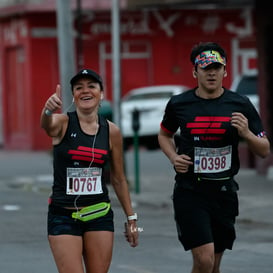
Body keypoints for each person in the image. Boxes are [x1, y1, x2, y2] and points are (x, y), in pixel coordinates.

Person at [158, 42, 270, 273]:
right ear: (195, 71)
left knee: (212, 266)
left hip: (224, 193)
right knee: (205, 259)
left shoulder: (240, 104)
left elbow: (264, 150)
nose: (211, 72)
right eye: (206, 68)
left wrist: (247, 133)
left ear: (225, 71)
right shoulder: (180, 104)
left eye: (217, 68)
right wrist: (172, 157)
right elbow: (164, 134)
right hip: (190, 191)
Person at [40, 68, 138, 273]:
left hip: (99, 215)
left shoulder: (112, 131)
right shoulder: (63, 123)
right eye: (79, 88)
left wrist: (131, 218)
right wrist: (48, 111)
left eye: (91, 86)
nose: (85, 91)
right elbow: (47, 125)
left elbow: (119, 179)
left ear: (101, 94)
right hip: (64, 216)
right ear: (73, 95)